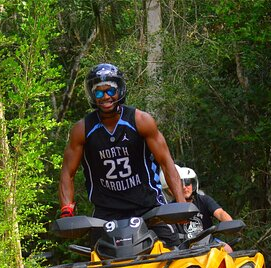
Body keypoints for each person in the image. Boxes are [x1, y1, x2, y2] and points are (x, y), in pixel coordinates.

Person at [58, 63, 186, 247]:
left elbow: (166, 162)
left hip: (148, 207)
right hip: (107, 214)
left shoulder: (141, 121)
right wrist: (66, 211)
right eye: (99, 93)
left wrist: (181, 205)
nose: (105, 97)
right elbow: (67, 173)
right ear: (92, 95)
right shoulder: (82, 130)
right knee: (99, 264)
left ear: (120, 89)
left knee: (174, 253)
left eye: (110, 90)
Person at [161, 165, 234, 253]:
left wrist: (230, 224)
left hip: (208, 242)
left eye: (187, 182)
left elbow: (220, 213)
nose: (184, 187)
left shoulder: (203, 200)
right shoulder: (170, 207)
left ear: (193, 184)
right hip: (182, 247)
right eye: (180, 184)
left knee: (228, 249)